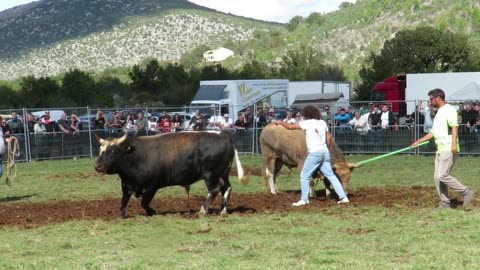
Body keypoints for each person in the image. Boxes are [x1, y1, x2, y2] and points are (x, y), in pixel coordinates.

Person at [411, 88, 474, 209]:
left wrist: (454, 145)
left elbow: (454, 127)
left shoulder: (449, 109)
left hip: (448, 148)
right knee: (437, 177)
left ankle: (466, 192)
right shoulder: (439, 112)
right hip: (440, 149)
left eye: (431, 99)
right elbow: (433, 132)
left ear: (438, 98)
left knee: (442, 175)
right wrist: (418, 142)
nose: (429, 102)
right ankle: (445, 202)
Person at [275, 105, 349, 206]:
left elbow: (290, 127)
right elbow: (328, 137)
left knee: (304, 175)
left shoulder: (307, 123)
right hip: (325, 152)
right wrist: (325, 148)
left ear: (307, 114)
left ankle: (304, 199)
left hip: (315, 153)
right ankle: (343, 197)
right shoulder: (322, 123)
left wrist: (280, 122)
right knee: (331, 175)